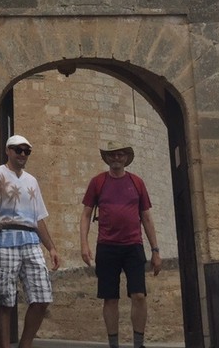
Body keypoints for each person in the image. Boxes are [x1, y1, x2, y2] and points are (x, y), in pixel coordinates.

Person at [0, 134, 62, 348]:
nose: (22, 154)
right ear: (8, 151)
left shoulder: (32, 181)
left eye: (26, 151)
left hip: (30, 240)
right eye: (18, 150)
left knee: (42, 296)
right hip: (5, 239)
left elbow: (38, 218)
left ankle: (25, 345)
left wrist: (51, 248)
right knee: (5, 299)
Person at [79, 141, 162, 348]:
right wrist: (84, 245)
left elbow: (146, 217)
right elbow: (86, 215)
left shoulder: (137, 183)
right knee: (110, 298)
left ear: (126, 158)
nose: (116, 158)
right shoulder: (98, 182)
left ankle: (138, 343)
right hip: (106, 246)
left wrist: (155, 250)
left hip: (133, 245)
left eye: (120, 155)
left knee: (139, 295)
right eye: (112, 155)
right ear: (107, 158)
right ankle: (113, 344)